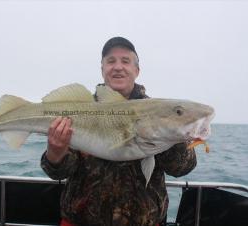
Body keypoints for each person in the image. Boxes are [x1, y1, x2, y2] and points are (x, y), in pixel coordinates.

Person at [41, 37, 197, 226]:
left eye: (125, 61)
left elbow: (182, 168)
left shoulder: (163, 112)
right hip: (81, 221)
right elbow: (58, 173)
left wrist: (173, 136)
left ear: (136, 70)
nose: (117, 67)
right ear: (102, 69)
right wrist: (55, 153)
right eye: (110, 61)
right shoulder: (78, 110)